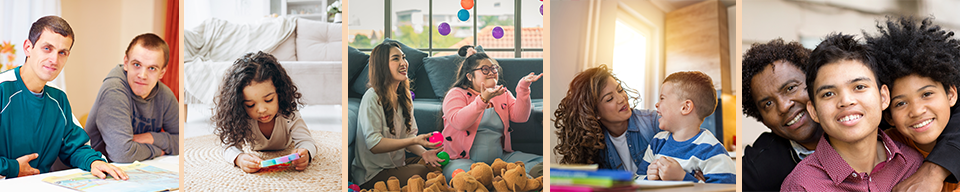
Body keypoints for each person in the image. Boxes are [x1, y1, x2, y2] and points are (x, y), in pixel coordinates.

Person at [781, 33, 923, 191]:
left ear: (883, 97)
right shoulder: (802, 185)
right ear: (813, 111)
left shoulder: (913, 164)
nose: (846, 101)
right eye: (828, 94)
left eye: (859, 87)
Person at [0, 15, 127, 180]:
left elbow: (75, 146)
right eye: (47, 48)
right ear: (28, 48)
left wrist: (93, 162)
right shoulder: (3, 89)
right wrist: (12, 168)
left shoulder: (58, 99)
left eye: (62, 52)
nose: (54, 59)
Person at [866, 16, 960, 192]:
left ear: (951, 94)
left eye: (927, 94)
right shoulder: (885, 151)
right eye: (901, 103)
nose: (916, 111)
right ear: (889, 115)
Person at [352, 42, 443, 189]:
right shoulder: (372, 97)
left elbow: (408, 137)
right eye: (396, 59)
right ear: (382, 66)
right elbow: (374, 144)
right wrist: (415, 140)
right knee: (421, 172)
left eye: (403, 58)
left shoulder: (404, 97)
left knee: (435, 167)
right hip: (373, 174)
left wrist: (425, 153)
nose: (403, 63)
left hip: (395, 166)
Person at [440, 52, 543, 179]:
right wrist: (482, 100)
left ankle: (502, 177)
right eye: (485, 69)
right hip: (462, 161)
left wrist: (523, 89)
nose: (491, 72)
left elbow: (521, 117)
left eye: (494, 68)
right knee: (466, 179)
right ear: (469, 76)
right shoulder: (456, 94)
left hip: (500, 159)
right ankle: (504, 179)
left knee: (542, 164)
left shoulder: (502, 93)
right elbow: (458, 122)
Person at [212, 51, 318, 173]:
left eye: (269, 100)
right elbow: (228, 146)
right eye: (250, 105)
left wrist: (306, 153)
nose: (262, 110)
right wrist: (239, 159)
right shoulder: (241, 118)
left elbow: (307, 141)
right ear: (240, 104)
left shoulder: (289, 114)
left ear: (280, 93)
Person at [740, 39, 823, 191]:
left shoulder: (863, 130)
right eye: (768, 104)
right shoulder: (756, 170)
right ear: (763, 120)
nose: (784, 107)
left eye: (790, 88)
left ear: (813, 83)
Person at [85, 33, 179, 163]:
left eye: (152, 68)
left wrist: (152, 138)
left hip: (135, 172)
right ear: (126, 63)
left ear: (162, 72)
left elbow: (184, 140)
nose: (142, 75)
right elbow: (122, 155)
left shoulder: (165, 95)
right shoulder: (114, 90)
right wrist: (158, 151)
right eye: (136, 64)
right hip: (95, 172)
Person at [554, 65, 661, 175]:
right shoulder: (594, 143)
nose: (621, 99)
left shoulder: (654, 122)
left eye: (620, 90)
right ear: (595, 113)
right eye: (609, 99)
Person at [639, 71, 735, 184]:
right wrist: (650, 178)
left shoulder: (711, 149)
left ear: (685, 107)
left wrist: (682, 177)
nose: (657, 104)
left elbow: (727, 188)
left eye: (662, 98)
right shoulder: (657, 142)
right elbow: (637, 179)